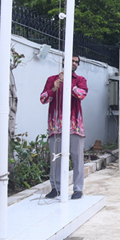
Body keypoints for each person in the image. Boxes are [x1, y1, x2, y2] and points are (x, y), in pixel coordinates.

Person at [40, 55, 88, 200]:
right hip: (56, 126)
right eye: (71, 61)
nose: (73, 63)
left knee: (77, 158)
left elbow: (82, 95)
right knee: (55, 158)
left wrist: (68, 83)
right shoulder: (52, 79)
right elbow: (43, 99)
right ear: (63, 61)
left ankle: (78, 189)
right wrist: (54, 88)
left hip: (74, 126)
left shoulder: (80, 80)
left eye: (76, 62)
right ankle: (56, 188)